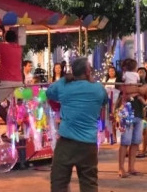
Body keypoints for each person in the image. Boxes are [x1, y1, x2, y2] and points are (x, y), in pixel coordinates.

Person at [47, 58, 108, 192]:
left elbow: (49, 92)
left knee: (59, 181)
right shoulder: (98, 89)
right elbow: (104, 100)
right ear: (87, 71)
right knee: (89, 183)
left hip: (66, 143)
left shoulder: (64, 86)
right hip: (88, 144)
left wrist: (64, 79)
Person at [113, 59, 145, 178]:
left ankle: (131, 167)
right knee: (125, 141)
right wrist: (136, 91)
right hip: (127, 111)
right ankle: (121, 168)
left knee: (136, 141)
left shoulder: (138, 77)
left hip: (139, 111)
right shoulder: (121, 77)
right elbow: (120, 89)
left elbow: (145, 89)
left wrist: (136, 91)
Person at [0, 27, 23, 107]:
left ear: (4, 38)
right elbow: (7, 43)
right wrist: (4, 31)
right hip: (18, 81)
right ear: (15, 39)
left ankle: (4, 115)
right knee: (14, 105)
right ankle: (10, 115)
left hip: (5, 81)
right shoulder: (19, 48)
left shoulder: (2, 46)